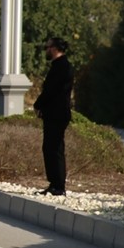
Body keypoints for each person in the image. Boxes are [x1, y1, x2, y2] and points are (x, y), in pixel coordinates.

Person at [34, 36, 74, 196]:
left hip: (57, 113)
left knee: (54, 148)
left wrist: (38, 104)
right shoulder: (59, 66)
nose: (46, 50)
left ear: (55, 48)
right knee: (50, 148)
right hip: (54, 113)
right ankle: (55, 183)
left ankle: (58, 185)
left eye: (48, 47)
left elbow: (51, 90)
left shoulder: (62, 67)